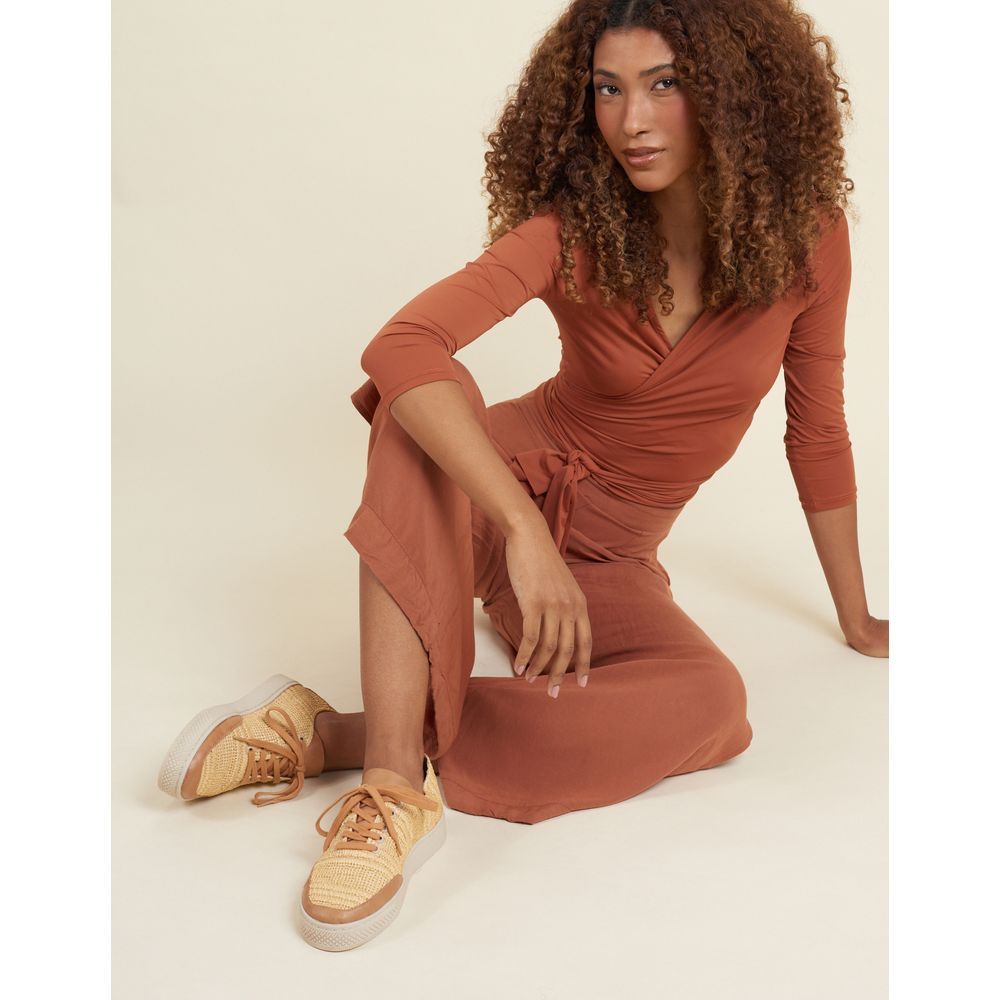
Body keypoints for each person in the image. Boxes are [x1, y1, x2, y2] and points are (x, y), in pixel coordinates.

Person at [157, 0, 888, 952]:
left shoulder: (808, 240)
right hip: (494, 491)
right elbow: (401, 344)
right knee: (416, 409)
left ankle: (325, 733)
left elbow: (818, 430)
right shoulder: (574, 229)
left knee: (714, 704)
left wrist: (856, 617)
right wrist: (522, 527)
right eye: (608, 90)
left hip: (610, 561)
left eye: (665, 85)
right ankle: (391, 789)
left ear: (735, 93)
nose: (632, 121)